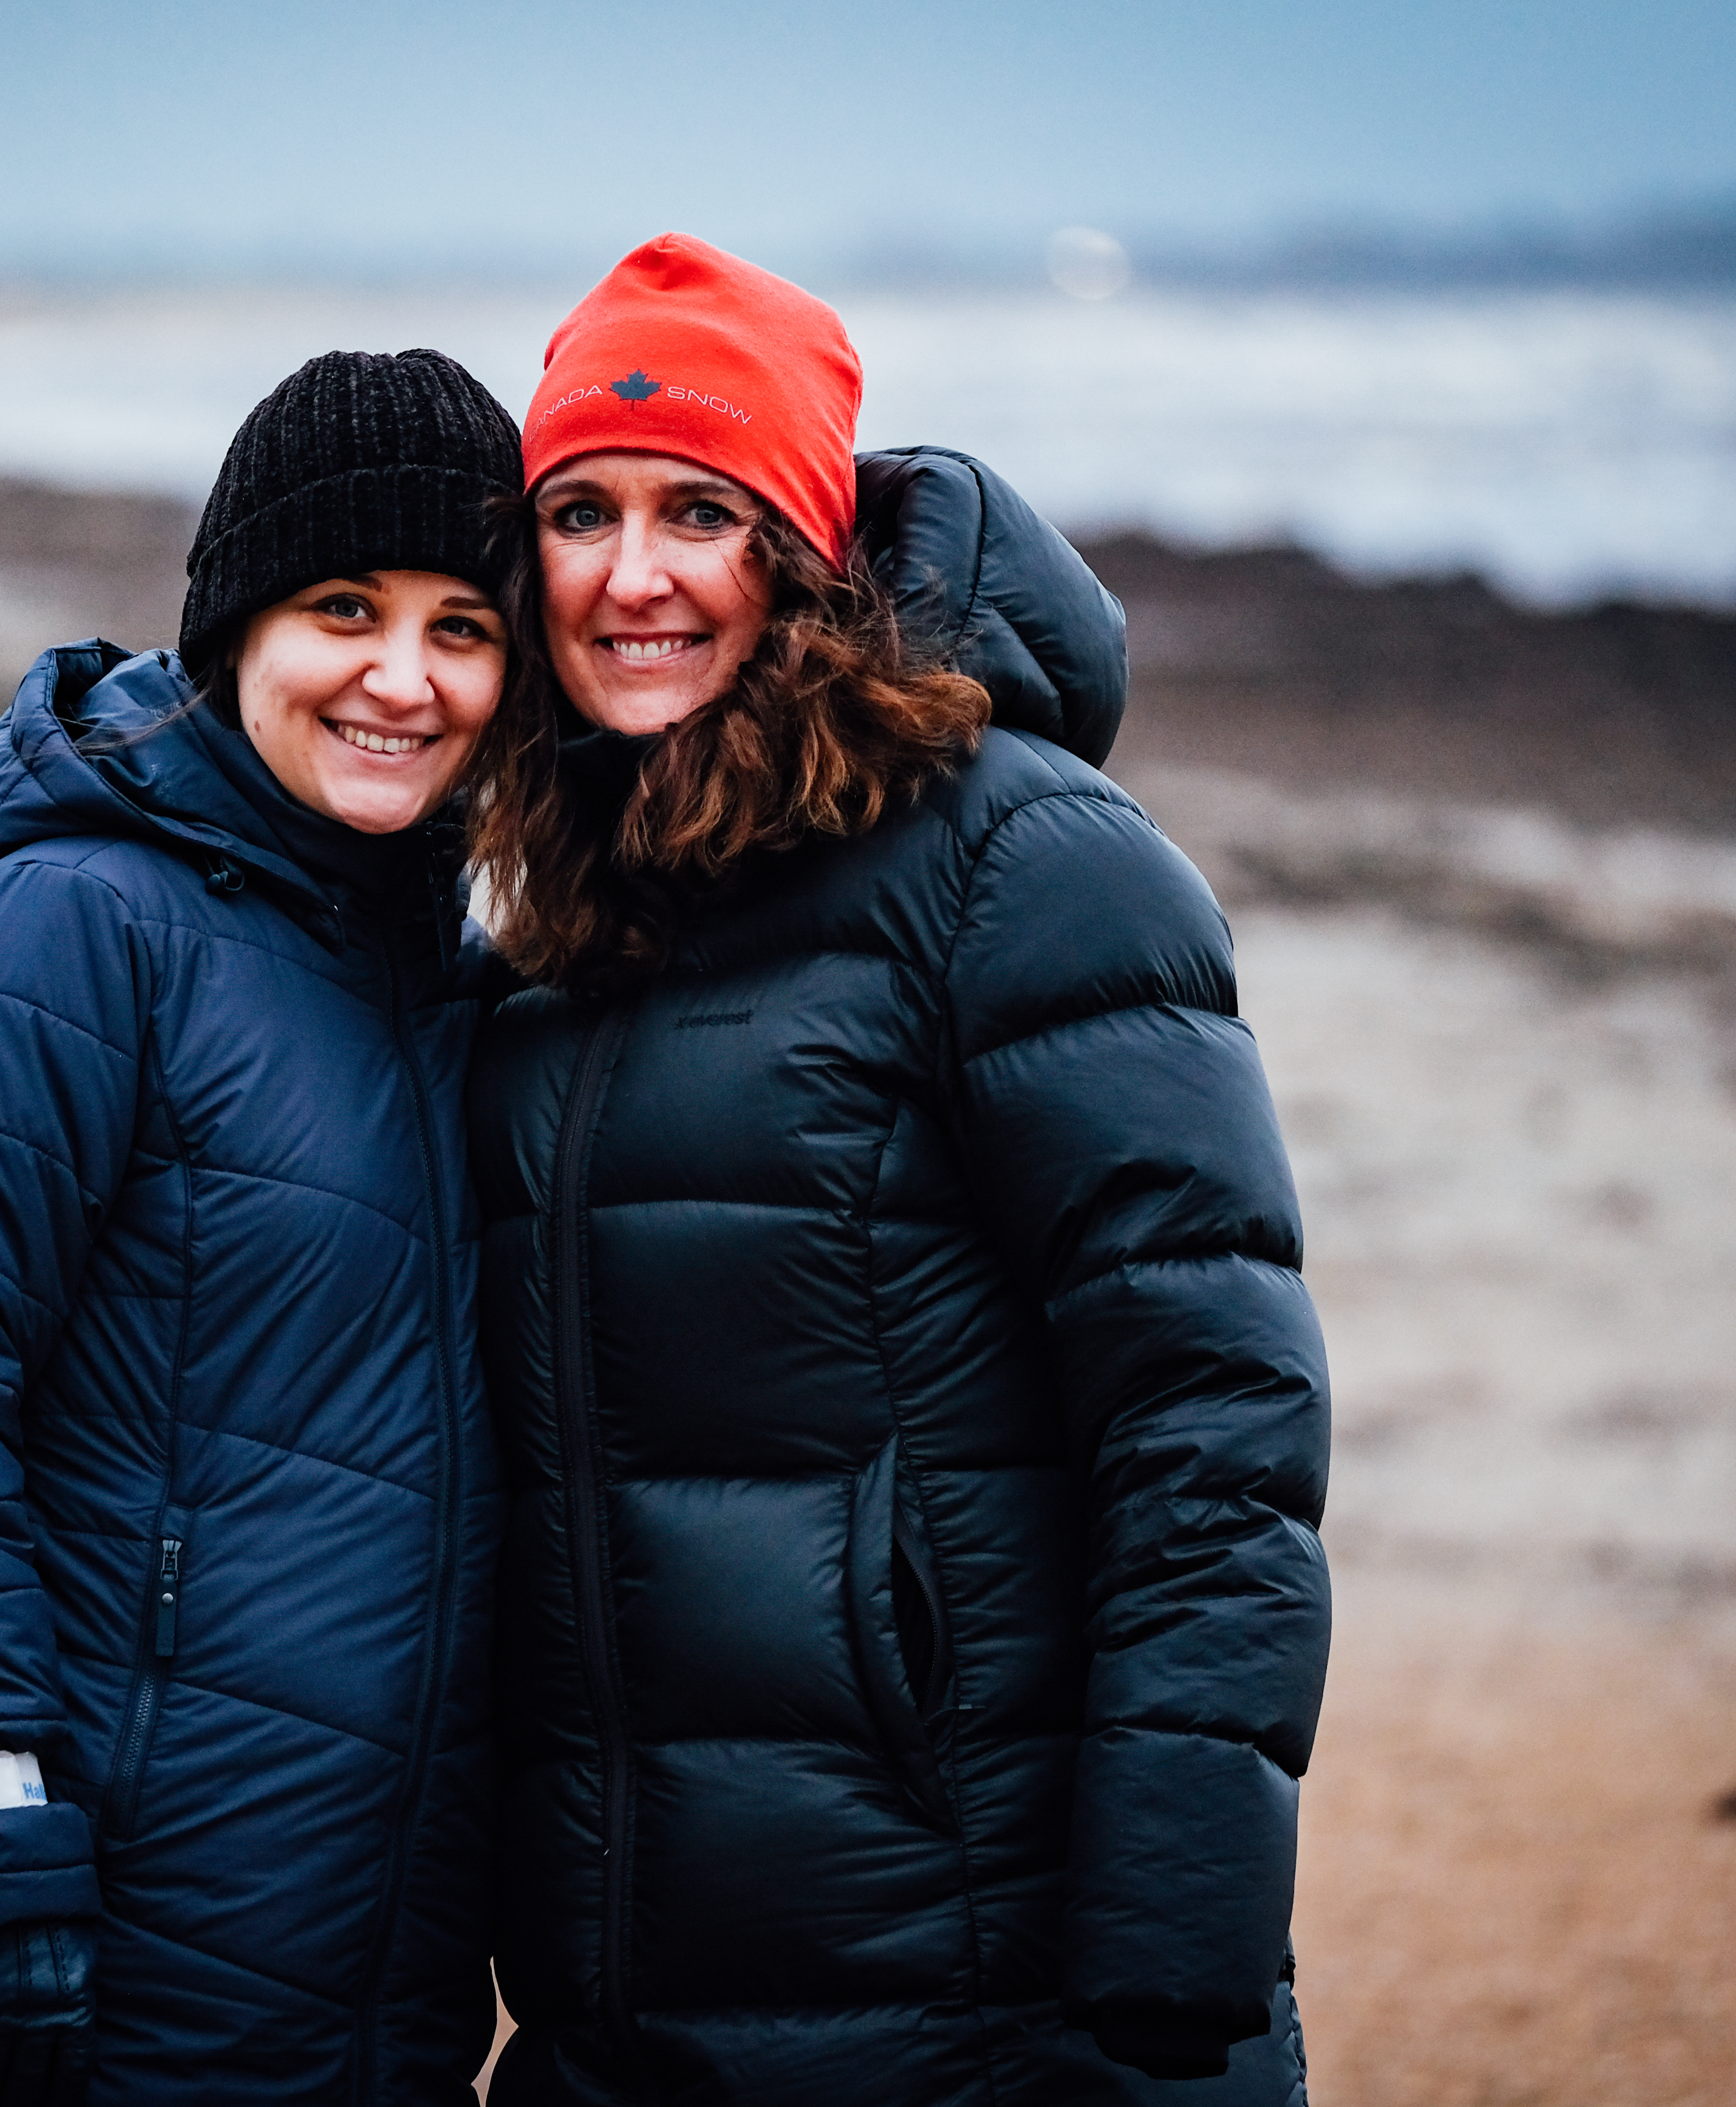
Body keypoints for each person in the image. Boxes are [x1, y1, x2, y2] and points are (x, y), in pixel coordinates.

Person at [465, 235, 1331, 2104]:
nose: (633, 576)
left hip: (991, 1991)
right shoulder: (549, 914)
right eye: (581, 512)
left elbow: (1213, 1418)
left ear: (803, 547)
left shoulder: (1027, 865)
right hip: (633, 1999)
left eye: (702, 509)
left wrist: (1172, 1942)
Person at [0, 350, 521, 2107]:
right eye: (347, 608)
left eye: (464, 625)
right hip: (83, 1902)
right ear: (237, 626)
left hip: (352, 1947)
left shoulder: (440, 975)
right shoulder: (73, 923)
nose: (402, 679)